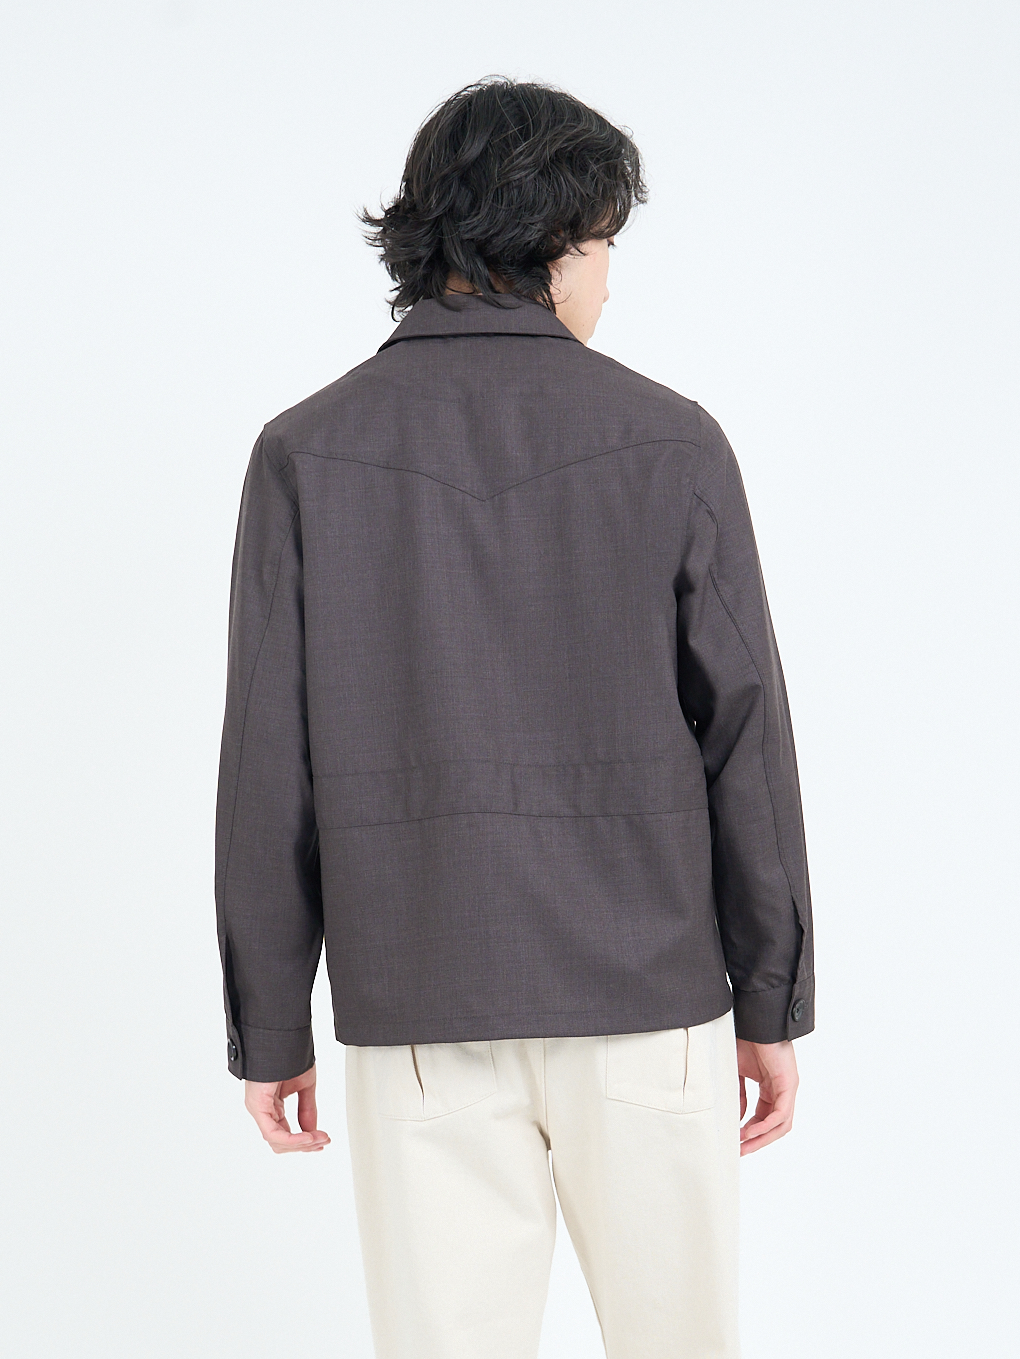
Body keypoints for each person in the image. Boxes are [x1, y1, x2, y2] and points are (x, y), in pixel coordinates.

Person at [214, 76, 815, 1359]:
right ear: (551, 241)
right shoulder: (672, 442)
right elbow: (745, 741)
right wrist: (769, 999)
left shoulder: (304, 451)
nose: (608, 282)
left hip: (419, 1007)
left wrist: (271, 1025)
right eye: (604, 245)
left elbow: (268, 765)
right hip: (651, 1009)